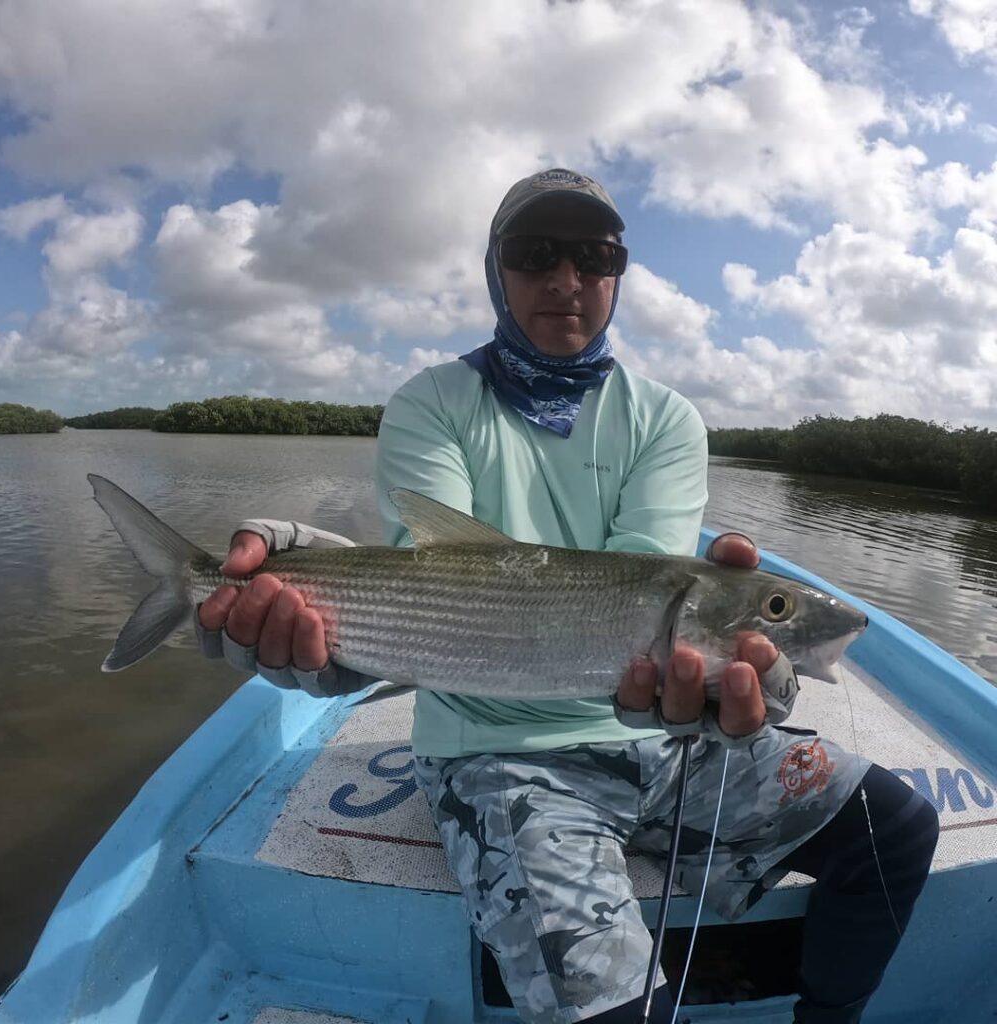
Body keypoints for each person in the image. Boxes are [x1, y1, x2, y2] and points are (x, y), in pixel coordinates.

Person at [196, 168, 939, 1024]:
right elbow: (430, 580)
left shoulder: (664, 419)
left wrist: (724, 668)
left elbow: (643, 590)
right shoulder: (433, 402)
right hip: (494, 755)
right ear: (495, 270)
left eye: (595, 255)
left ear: (618, 274)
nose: (565, 278)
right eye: (533, 252)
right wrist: (319, 595)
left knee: (898, 828)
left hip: (665, 752)